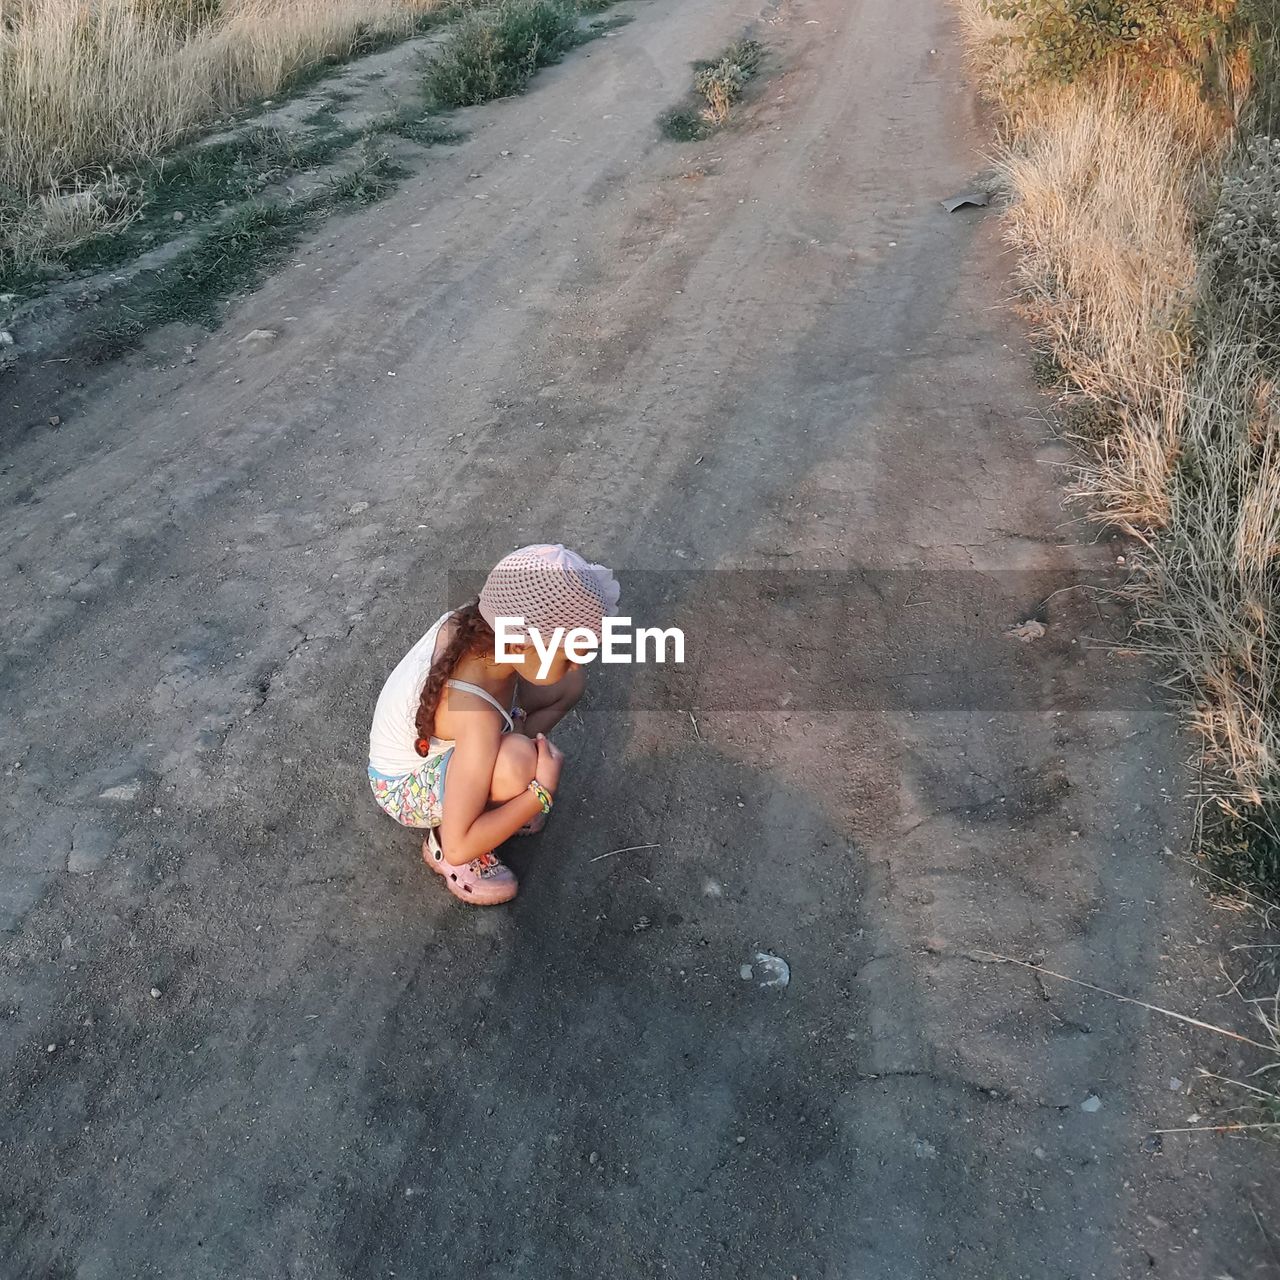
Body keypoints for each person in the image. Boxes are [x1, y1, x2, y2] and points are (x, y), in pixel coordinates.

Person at [368, 544, 619, 905]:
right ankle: (449, 835)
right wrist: (539, 793)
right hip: (404, 786)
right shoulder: (475, 712)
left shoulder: (483, 629)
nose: (578, 663)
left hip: (461, 740)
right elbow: (460, 844)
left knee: (568, 685)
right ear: (519, 647)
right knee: (517, 762)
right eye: (567, 654)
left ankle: (495, 795)